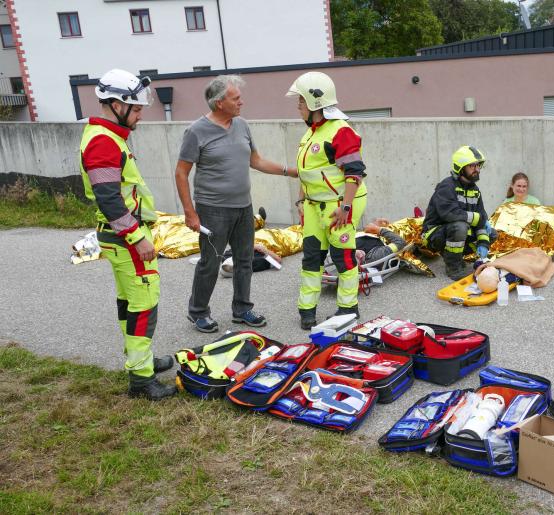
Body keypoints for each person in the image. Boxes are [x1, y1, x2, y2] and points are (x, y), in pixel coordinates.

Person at [79, 69, 175, 400]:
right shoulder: (104, 142)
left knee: (130, 301)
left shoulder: (107, 137)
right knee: (144, 304)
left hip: (119, 235)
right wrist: (137, 237)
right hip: (125, 237)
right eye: (135, 109)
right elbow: (109, 198)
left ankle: (140, 363)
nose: (139, 116)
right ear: (117, 105)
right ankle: (141, 380)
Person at [175, 75, 297, 333]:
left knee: (245, 260)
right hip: (212, 209)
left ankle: (242, 309)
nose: (242, 102)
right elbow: (181, 173)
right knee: (211, 261)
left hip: (244, 207)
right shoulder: (196, 131)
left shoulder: (242, 125)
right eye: (236, 98)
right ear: (219, 103)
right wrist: (190, 212)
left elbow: (257, 161)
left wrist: (291, 171)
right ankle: (198, 311)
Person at [286, 71, 368, 330]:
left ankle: (348, 308)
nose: (297, 106)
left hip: (338, 205)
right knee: (311, 259)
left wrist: (346, 207)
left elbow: (354, 173)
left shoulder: (340, 131)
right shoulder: (310, 134)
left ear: (314, 103)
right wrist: (301, 203)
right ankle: (307, 310)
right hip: (313, 205)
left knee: (342, 258)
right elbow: (306, 174)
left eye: (300, 102)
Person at [422, 145, 496, 280]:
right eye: (472, 166)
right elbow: (451, 214)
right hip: (434, 234)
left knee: (491, 233)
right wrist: (480, 219)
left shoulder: (475, 190)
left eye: (478, 165)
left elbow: (481, 217)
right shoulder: (447, 186)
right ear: (461, 167)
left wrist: (483, 243)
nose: (477, 169)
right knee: (460, 226)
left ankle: (456, 255)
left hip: (458, 229)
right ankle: (453, 267)